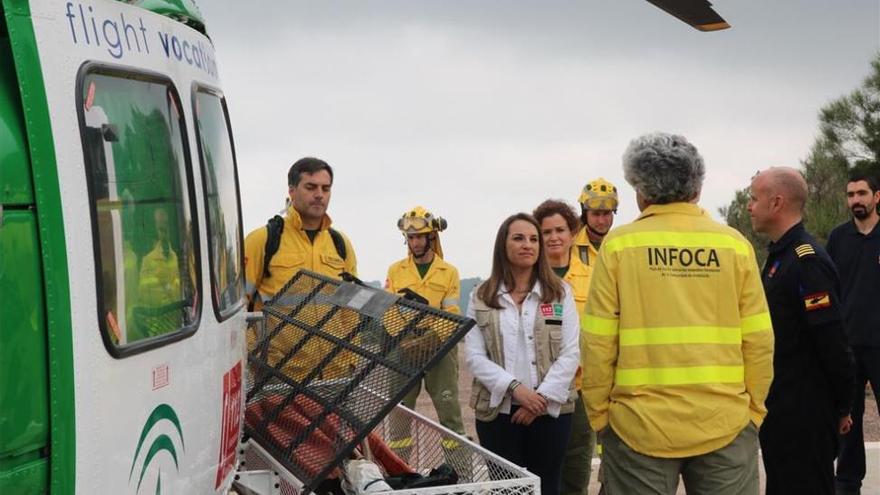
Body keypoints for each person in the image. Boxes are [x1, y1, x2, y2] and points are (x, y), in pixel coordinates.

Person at [582, 133, 774, 495]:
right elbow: (760, 340)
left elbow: (597, 341)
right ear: (697, 189)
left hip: (638, 427)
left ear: (641, 191)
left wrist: (600, 416)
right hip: (725, 423)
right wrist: (754, 413)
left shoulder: (620, 245)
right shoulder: (733, 245)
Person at [748, 166, 855, 495]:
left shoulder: (806, 261)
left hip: (805, 412)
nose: (749, 206)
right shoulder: (780, 257)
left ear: (777, 202)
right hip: (781, 407)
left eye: (754, 198)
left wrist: (843, 405)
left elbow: (832, 341)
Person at [464, 213, 580, 495]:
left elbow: (571, 351)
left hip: (550, 412)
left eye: (533, 239)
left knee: (547, 487)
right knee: (506, 490)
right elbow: (475, 356)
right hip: (498, 413)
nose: (527, 244)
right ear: (503, 245)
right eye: (518, 238)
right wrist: (516, 390)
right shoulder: (481, 296)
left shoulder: (560, 292)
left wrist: (538, 400)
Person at [243, 157, 358, 380]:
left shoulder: (340, 244)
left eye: (326, 188)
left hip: (334, 377)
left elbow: (351, 310)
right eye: (310, 187)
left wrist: (350, 360)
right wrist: (255, 358)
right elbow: (239, 311)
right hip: (279, 375)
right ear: (292, 190)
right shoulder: (263, 240)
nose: (319, 194)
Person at [532, 199, 600, 495]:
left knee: (576, 466)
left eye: (560, 230)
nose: (554, 237)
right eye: (546, 232)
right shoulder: (527, 279)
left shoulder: (595, 273)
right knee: (539, 464)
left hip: (581, 386)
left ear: (574, 233)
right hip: (537, 388)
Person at [385, 206, 466, 438]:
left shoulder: (448, 272)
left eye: (420, 237)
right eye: (411, 238)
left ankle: (460, 471)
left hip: (439, 348)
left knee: (450, 414)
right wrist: (404, 339)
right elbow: (389, 309)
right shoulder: (395, 270)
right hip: (404, 347)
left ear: (432, 236)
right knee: (399, 418)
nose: (416, 243)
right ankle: (399, 471)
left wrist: (430, 340)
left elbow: (451, 311)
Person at [829, 172, 880, 495]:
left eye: (862, 193)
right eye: (850, 195)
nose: (856, 200)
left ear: (877, 197)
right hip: (847, 347)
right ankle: (847, 485)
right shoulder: (838, 238)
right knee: (847, 421)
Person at [572, 178, 618, 270]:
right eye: (596, 214)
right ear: (585, 214)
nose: (601, 221)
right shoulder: (570, 244)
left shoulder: (620, 245)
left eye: (606, 213)